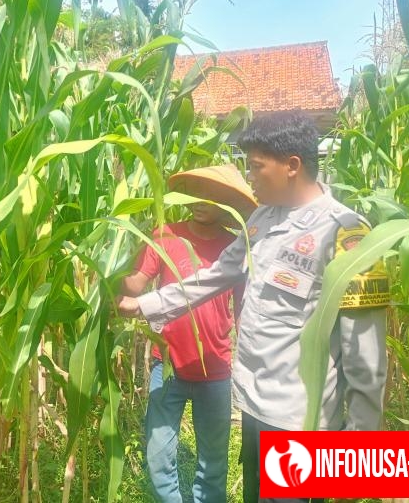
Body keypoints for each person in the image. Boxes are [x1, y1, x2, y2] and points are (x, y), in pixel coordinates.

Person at [118, 111, 389, 503]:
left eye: (256, 168)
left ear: (292, 165)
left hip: (300, 421)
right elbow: (212, 277)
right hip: (255, 407)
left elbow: (365, 355)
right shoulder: (261, 220)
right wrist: (144, 304)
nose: (250, 179)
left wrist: (358, 449)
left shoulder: (346, 233)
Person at [122, 165, 256, 503]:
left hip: (215, 367)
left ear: (225, 201)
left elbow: (243, 311)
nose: (200, 201)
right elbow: (136, 283)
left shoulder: (234, 246)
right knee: (158, 454)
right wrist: (112, 251)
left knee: (213, 461)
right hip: (166, 365)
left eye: (211, 194)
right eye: (195, 192)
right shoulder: (165, 235)